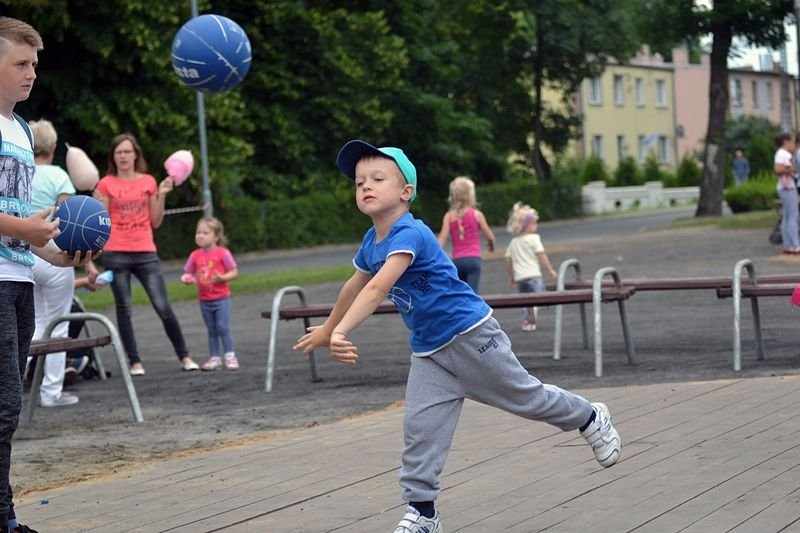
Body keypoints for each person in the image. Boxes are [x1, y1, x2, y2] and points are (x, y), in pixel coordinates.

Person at [294, 140, 621, 533]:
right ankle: (423, 514)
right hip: (430, 352)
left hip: (470, 335)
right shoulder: (371, 242)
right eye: (359, 180)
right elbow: (354, 286)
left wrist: (343, 330)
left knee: (527, 397)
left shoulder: (409, 233)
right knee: (420, 430)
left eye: (377, 178)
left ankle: (590, 416)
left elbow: (378, 290)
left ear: (405, 192)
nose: (365, 185)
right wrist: (329, 329)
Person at [0, 16, 96, 533]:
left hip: (16, 277)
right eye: (21, 63)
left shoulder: (18, 129)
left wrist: (58, 255)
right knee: (4, 405)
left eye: (34, 64)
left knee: (8, 409)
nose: (31, 73)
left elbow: (18, 227)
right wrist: (24, 227)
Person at [93, 133, 199, 375]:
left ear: (135, 155)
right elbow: (102, 221)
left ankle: (185, 356)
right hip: (116, 252)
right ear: (113, 156)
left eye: (127, 151)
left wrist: (161, 194)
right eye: (118, 152)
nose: (123, 156)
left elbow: (156, 221)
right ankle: (134, 362)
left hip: (145, 251)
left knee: (163, 306)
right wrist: (96, 204)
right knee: (124, 308)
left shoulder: (149, 182)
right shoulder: (106, 184)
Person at [27, 119, 99, 407]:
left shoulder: (20, 170)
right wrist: (88, 264)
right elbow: (72, 221)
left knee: (29, 325)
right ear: (55, 147)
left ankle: (13, 386)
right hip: (54, 254)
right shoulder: (59, 175)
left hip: (22, 253)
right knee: (57, 325)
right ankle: (51, 392)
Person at [181, 217, 239, 371]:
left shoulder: (222, 253)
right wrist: (187, 279)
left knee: (222, 326)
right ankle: (214, 358)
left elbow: (234, 272)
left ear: (216, 236)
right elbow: (188, 273)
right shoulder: (194, 256)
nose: (200, 236)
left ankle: (230, 355)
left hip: (221, 298)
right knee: (211, 328)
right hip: (205, 299)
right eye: (198, 232)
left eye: (205, 233)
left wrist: (222, 278)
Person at [504, 202, 558, 332]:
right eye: (534, 223)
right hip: (534, 275)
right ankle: (533, 312)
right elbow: (542, 255)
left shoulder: (513, 242)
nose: (536, 226)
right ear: (525, 226)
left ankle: (527, 322)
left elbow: (508, 260)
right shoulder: (534, 238)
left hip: (520, 277)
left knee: (525, 301)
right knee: (538, 297)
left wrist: (511, 276)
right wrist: (550, 270)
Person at [437, 176, 495, 292]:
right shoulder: (476, 214)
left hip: (457, 261)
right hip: (474, 260)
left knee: (461, 293)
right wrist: (491, 245)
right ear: (470, 196)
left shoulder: (448, 216)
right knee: (473, 293)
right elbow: (489, 236)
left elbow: (442, 238)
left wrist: (436, 254)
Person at [774, 133, 800, 255]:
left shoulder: (781, 153)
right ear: (786, 142)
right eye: (792, 142)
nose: (793, 144)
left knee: (787, 216)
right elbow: (778, 169)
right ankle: (795, 245)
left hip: (785, 187)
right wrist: (791, 170)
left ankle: (788, 245)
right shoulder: (783, 154)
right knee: (792, 216)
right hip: (787, 187)